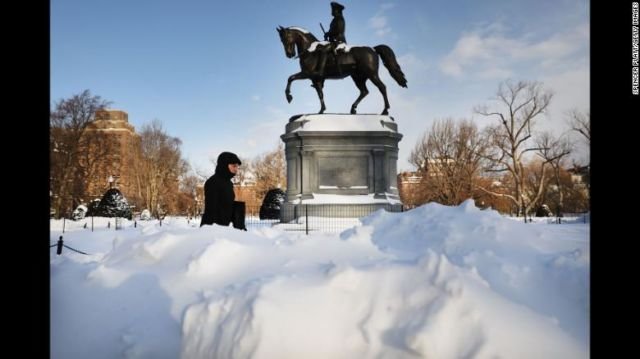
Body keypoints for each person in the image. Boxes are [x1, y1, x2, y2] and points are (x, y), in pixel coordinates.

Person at [200, 152, 242, 228]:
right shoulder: (213, 182)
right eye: (234, 166)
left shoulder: (229, 183)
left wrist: (238, 219)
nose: (236, 169)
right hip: (212, 228)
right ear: (224, 165)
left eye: (237, 167)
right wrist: (212, 230)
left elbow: (227, 205)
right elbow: (211, 210)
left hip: (224, 227)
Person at [314, 2, 347, 76]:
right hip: (333, 40)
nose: (332, 12)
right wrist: (327, 34)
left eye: (333, 10)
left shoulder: (340, 19)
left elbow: (339, 30)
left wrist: (329, 34)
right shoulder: (334, 20)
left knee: (324, 50)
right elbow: (332, 30)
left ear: (337, 11)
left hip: (339, 41)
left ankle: (320, 71)